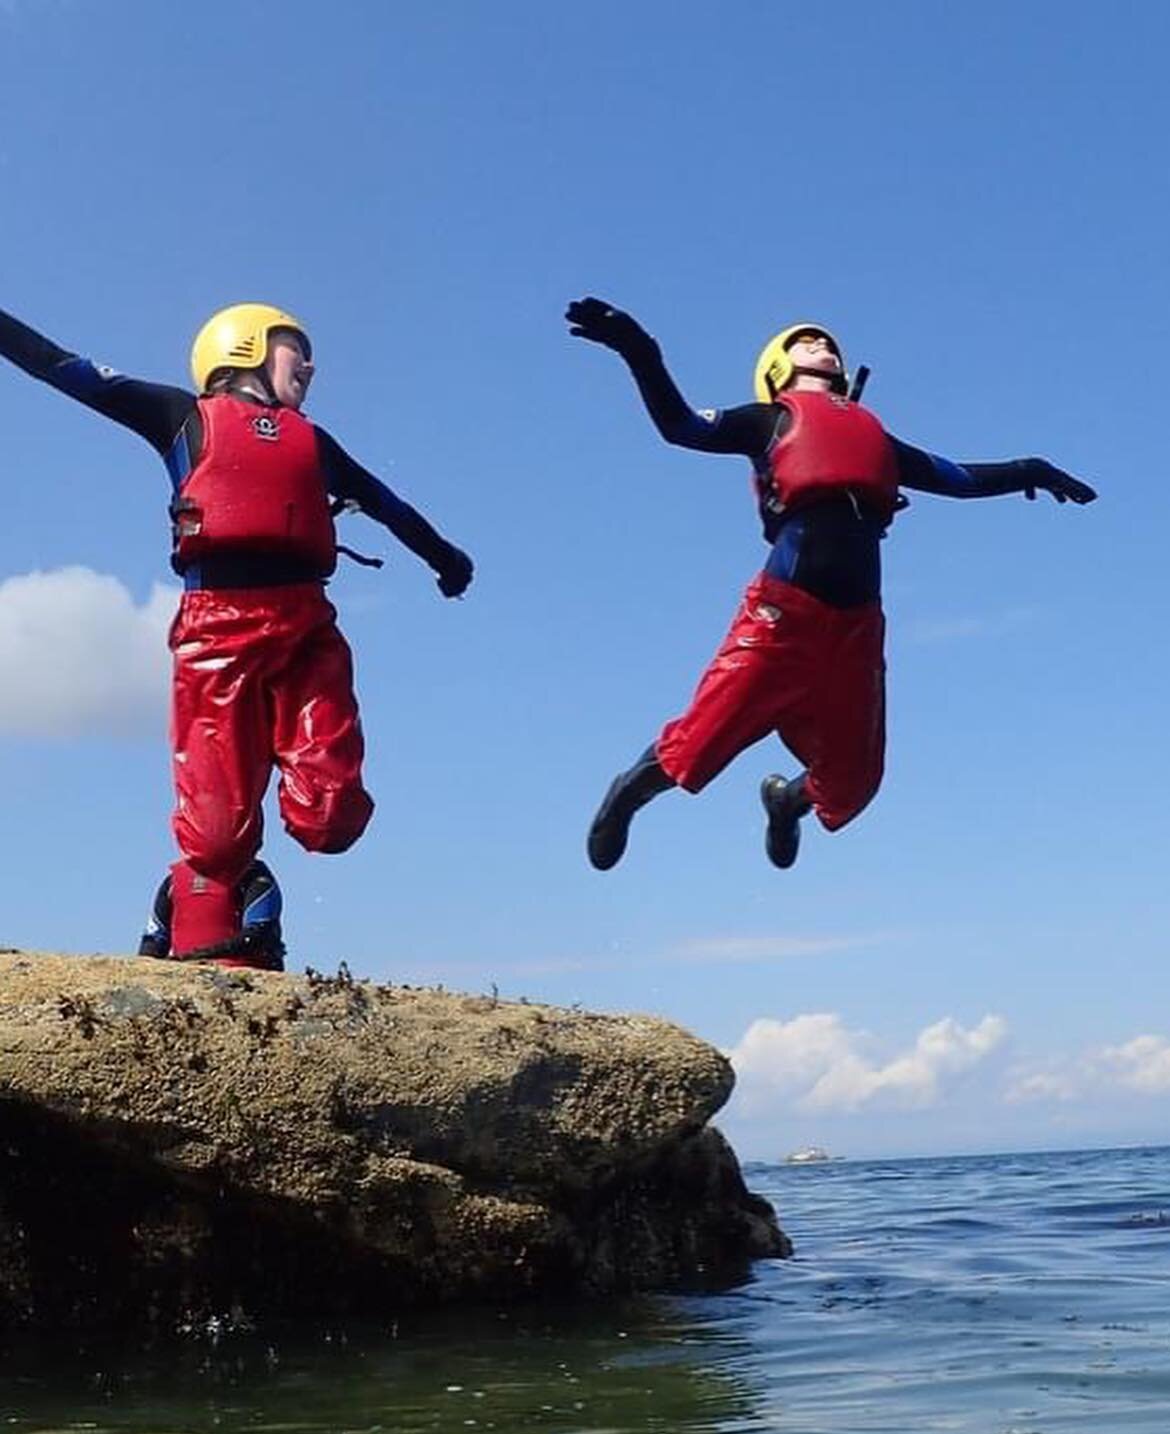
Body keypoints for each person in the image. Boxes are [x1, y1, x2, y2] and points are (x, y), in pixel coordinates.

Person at [0, 300, 473, 967]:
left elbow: (389, 505)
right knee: (216, 840)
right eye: (292, 347)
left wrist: (445, 557)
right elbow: (60, 367)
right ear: (244, 346)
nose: (309, 364)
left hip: (307, 629)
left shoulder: (315, 444)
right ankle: (189, 907)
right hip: (216, 635)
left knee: (331, 816)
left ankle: (244, 880)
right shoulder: (181, 418)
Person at [566, 299, 1096, 871]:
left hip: (857, 629)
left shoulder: (878, 440)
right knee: (700, 741)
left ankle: (784, 802)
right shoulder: (769, 420)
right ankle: (627, 794)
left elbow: (962, 478)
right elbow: (682, 426)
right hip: (783, 616)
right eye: (806, 341)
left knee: (855, 783)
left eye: (828, 343)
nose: (824, 345)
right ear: (777, 368)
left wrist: (1031, 469)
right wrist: (639, 350)